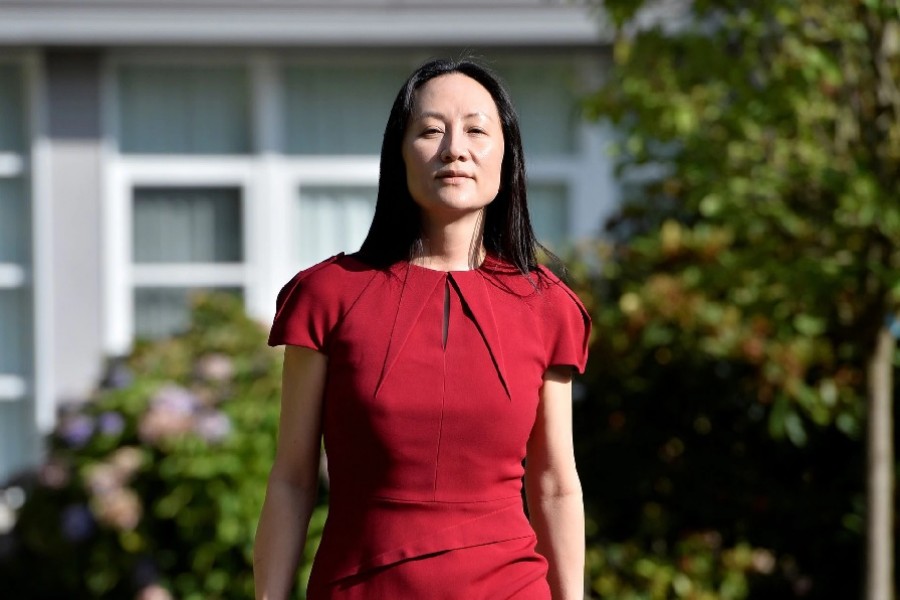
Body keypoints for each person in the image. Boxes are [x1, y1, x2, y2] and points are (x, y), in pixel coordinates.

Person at [253, 58, 590, 600]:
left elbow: (554, 484)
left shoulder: (547, 305)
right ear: (399, 152)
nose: (455, 149)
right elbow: (292, 478)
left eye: (477, 130)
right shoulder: (327, 295)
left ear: (507, 154)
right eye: (431, 130)